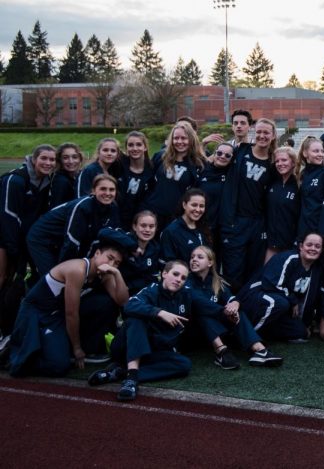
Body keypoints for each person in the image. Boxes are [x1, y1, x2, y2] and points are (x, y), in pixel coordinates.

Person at [8, 234, 128, 377]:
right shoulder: (77, 269)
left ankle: (56, 347)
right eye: (110, 258)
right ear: (97, 253)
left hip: (56, 316)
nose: (112, 264)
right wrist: (77, 349)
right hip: (36, 312)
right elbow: (71, 313)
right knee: (55, 366)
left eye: (117, 263)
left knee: (105, 304)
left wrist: (116, 273)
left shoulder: (105, 274)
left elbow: (122, 301)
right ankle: (15, 349)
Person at [93, 260, 193, 402]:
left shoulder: (185, 295)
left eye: (183, 278)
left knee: (184, 365)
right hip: (126, 347)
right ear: (164, 274)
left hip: (150, 350)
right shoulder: (152, 290)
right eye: (175, 274)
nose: (178, 280)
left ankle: (122, 372)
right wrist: (159, 312)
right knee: (136, 319)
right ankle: (132, 380)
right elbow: (129, 306)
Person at [186, 246, 283, 370]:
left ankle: (259, 350)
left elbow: (230, 297)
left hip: (218, 328)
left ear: (210, 262)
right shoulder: (186, 280)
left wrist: (235, 304)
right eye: (192, 257)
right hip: (195, 330)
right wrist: (224, 311)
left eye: (200, 257)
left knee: (237, 311)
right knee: (203, 312)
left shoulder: (216, 281)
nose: (194, 260)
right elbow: (197, 301)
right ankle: (221, 352)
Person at [0, 145, 55, 342]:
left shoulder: (45, 181)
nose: (48, 163)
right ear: (33, 160)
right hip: (5, 239)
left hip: (21, 241)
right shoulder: (15, 180)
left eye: (51, 160)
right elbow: (8, 215)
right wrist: (13, 248)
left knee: (14, 283)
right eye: (44, 159)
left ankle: (8, 328)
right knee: (2, 279)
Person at [220, 118, 277, 289]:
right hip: (235, 221)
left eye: (266, 132)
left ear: (273, 136)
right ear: (253, 132)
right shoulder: (241, 151)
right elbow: (219, 160)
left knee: (253, 270)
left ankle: (247, 309)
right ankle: (230, 309)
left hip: (257, 224)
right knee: (232, 270)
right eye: (259, 132)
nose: (262, 136)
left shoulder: (273, 163)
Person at [237, 232, 324, 344]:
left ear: (321, 250)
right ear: (301, 246)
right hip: (257, 294)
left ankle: (262, 331)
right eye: (309, 245)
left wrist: (306, 323)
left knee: (300, 331)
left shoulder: (315, 269)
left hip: (280, 305)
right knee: (281, 303)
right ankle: (246, 337)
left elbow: (310, 299)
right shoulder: (289, 258)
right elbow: (271, 284)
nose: (313, 249)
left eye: (317, 246)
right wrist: (293, 300)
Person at [27, 174, 120, 276]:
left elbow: (111, 233)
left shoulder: (113, 207)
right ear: (93, 191)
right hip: (41, 238)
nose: (107, 193)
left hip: (59, 240)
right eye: (103, 189)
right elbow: (72, 241)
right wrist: (66, 273)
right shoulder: (82, 207)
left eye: (111, 190)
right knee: (52, 276)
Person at [142, 123, 205, 229]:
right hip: (153, 213)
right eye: (176, 138)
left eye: (184, 138)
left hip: (177, 217)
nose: (179, 142)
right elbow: (147, 180)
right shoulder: (160, 157)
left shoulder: (198, 163)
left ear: (191, 139)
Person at [297, 136, 324, 241]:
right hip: (303, 232)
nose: (320, 154)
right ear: (305, 153)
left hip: (320, 234)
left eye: (322, 151)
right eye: (316, 151)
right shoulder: (302, 174)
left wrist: (321, 235)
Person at [265, 146, 301, 262]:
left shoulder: (300, 185)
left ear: (293, 162)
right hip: (270, 244)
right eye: (277, 161)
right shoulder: (272, 183)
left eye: (284, 160)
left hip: (290, 245)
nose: (280, 164)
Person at [159, 189, 209, 265]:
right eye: (194, 205)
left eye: (201, 206)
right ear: (184, 205)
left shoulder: (204, 228)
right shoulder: (171, 231)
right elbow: (168, 265)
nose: (198, 209)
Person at [119, 211, 161, 296]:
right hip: (117, 288)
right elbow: (103, 232)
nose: (147, 230)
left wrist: (131, 286)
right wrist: (132, 246)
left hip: (139, 292)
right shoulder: (124, 238)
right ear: (134, 226)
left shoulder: (155, 248)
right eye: (143, 226)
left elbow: (151, 277)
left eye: (151, 226)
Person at [118, 131, 153, 228]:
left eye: (139, 145)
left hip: (138, 223)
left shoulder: (152, 170)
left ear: (145, 147)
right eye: (130, 145)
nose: (135, 148)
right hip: (116, 218)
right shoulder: (118, 166)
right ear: (126, 148)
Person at [49, 142, 83, 207]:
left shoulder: (78, 177)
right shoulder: (61, 181)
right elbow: (56, 208)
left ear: (80, 159)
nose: (71, 161)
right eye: (65, 158)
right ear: (60, 160)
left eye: (75, 157)